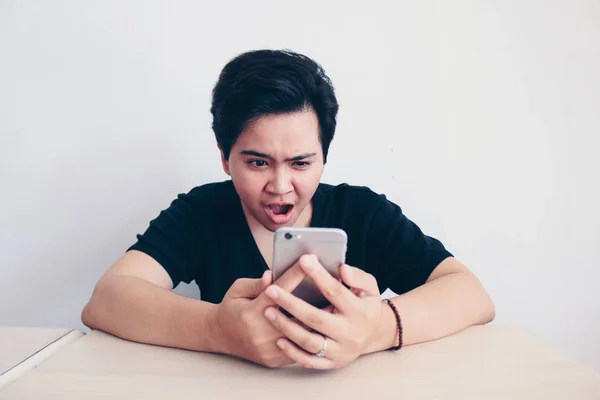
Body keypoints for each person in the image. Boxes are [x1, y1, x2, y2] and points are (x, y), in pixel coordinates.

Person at [82, 49, 495, 370]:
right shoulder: (202, 212)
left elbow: (472, 295)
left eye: (301, 163)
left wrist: (378, 329)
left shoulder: (364, 213)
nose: (280, 187)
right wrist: (218, 331)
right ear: (225, 159)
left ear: (323, 158)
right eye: (257, 162)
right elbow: (107, 299)